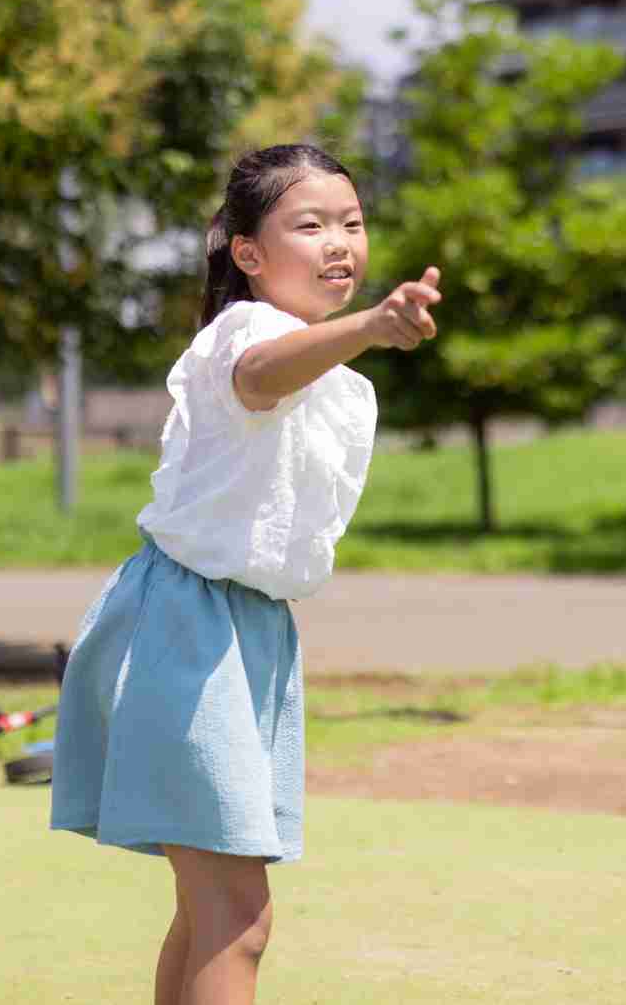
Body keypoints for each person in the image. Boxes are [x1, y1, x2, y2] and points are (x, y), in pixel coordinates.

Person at [50, 143, 441, 1005]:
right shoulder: (250, 330)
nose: (339, 241)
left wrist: (360, 337)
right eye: (310, 225)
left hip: (250, 631)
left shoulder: (336, 374)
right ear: (248, 254)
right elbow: (262, 378)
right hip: (186, 625)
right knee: (238, 917)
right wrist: (374, 326)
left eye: (352, 222)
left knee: (207, 915)